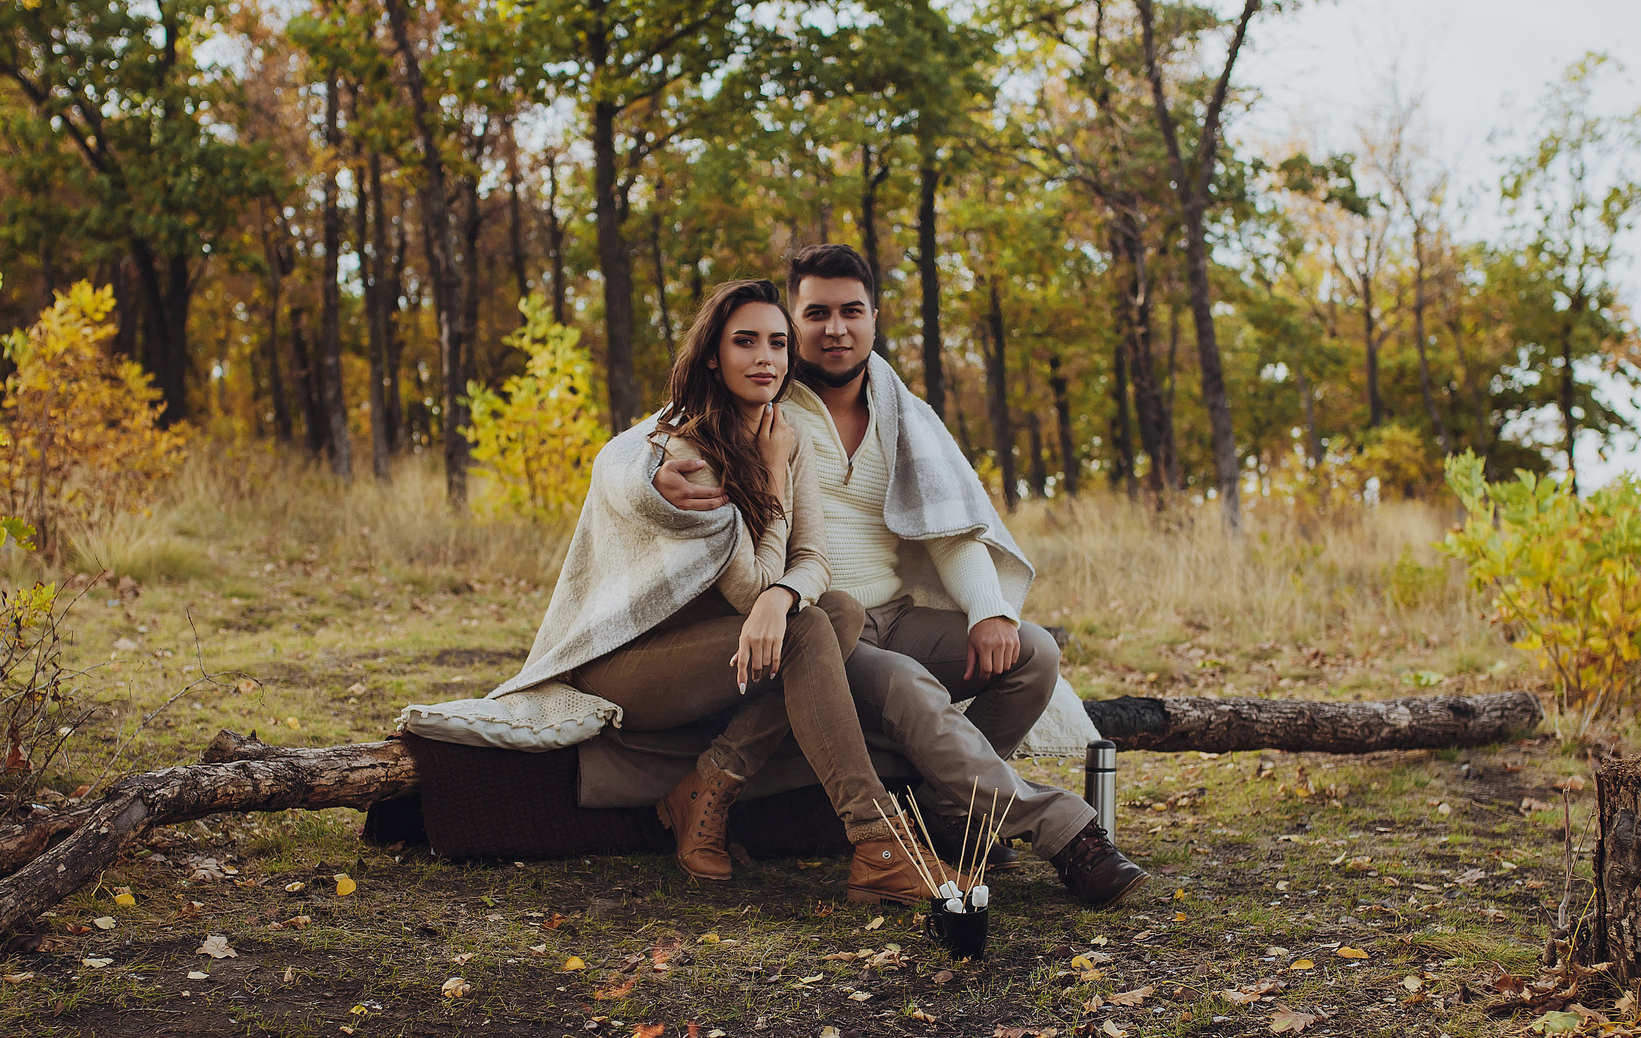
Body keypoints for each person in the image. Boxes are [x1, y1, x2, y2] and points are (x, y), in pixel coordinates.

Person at [654, 245, 1148, 908]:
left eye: (851, 311)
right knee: (909, 688)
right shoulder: (762, 394)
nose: (835, 328)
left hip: (898, 612)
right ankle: (1063, 831)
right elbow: (643, 448)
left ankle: (949, 811)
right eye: (816, 313)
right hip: (823, 626)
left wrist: (989, 610)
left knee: (1034, 653)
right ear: (792, 321)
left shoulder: (901, 411)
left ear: (874, 319)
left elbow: (947, 524)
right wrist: (651, 483)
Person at [488, 279, 960, 908]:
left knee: (840, 610)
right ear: (713, 355)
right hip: (632, 664)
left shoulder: (785, 432)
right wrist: (771, 483)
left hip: (718, 650)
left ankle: (707, 784)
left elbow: (814, 560)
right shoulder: (690, 455)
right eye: (746, 342)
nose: (766, 358)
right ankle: (877, 841)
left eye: (778, 343)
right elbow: (749, 591)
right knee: (810, 627)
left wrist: (782, 595)